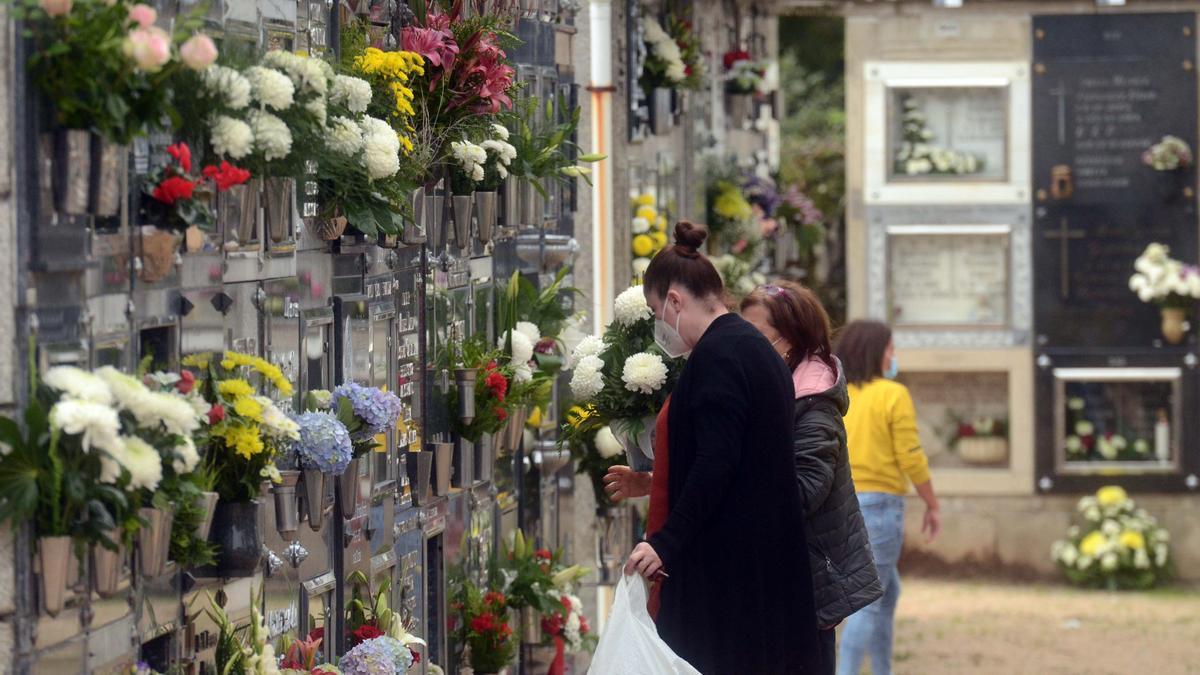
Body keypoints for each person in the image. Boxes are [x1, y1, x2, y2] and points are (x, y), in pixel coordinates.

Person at [619, 221, 821, 674]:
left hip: (727, 577)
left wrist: (665, 544)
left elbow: (717, 462)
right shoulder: (752, 347)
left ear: (674, 301)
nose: (659, 327)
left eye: (656, 313)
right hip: (763, 566)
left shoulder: (718, 358)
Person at [739, 282, 883, 675]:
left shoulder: (814, 407)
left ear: (789, 341)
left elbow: (803, 492)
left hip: (808, 586)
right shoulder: (777, 393)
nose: (745, 349)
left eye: (757, 338)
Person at [833, 320, 941, 675]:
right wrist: (931, 501)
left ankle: (883, 670)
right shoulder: (893, 394)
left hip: (844, 505)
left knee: (886, 591)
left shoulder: (839, 394)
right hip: (880, 508)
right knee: (869, 604)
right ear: (876, 352)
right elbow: (910, 454)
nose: (894, 356)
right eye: (891, 349)